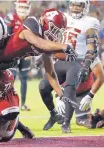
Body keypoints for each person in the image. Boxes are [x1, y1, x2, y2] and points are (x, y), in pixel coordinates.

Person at [39, 0, 100, 133]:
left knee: (70, 88)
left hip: (76, 61)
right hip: (60, 59)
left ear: (86, 7)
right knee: (43, 87)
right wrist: (44, 54)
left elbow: (91, 47)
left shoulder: (90, 22)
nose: (76, 8)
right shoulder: (63, 17)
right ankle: (54, 114)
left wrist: (86, 66)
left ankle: (66, 123)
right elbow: (52, 37)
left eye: (79, 5)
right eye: (73, 5)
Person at [5, 0, 32, 111]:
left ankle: (23, 104)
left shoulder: (31, 20)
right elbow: (7, 36)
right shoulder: (11, 17)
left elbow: (33, 38)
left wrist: (30, 51)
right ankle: (9, 102)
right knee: (12, 77)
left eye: (25, 7)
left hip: (25, 54)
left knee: (24, 78)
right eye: (22, 7)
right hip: (14, 53)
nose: (23, 10)